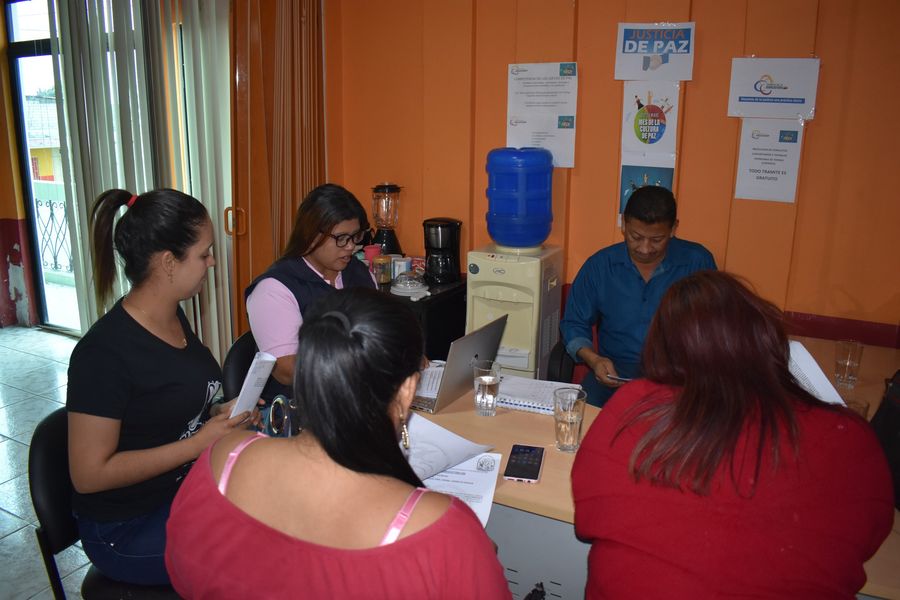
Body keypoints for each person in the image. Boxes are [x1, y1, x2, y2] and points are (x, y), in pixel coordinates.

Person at [165, 288, 511, 599]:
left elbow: (183, 574)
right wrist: (471, 557)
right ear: (407, 391)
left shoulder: (222, 460)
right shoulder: (444, 534)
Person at [571, 271, 894, 598]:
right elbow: (868, 537)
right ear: (766, 338)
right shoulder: (848, 437)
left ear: (662, 348)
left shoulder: (634, 406)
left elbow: (587, 519)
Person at [66, 189, 253, 585]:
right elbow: (89, 474)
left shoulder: (172, 316)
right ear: (169, 262)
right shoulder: (103, 353)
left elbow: (165, 405)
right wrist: (197, 444)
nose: (212, 262)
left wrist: (216, 412)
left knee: (276, 511)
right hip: (125, 527)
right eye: (204, 254)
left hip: (180, 491)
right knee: (256, 556)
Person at [560, 185, 716, 406]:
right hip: (615, 374)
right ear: (624, 224)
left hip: (678, 376)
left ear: (673, 229)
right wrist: (594, 360)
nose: (645, 248)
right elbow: (574, 322)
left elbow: (716, 326)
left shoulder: (697, 262)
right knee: (581, 417)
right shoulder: (600, 266)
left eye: (657, 239)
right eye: (636, 237)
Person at [245, 183, 376, 400]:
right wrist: (373, 358)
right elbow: (287, 370)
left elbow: (380, 326)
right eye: (341, 238)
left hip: (358, 395)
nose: (351, 246)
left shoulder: (358, 271)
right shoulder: (274, 289)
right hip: (300, 406)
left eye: (356, 236)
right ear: (312, 235)